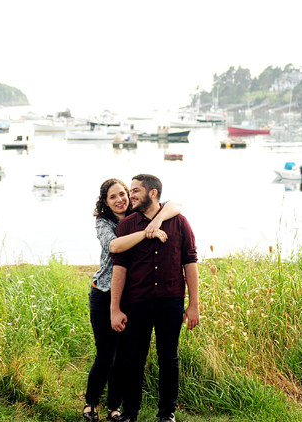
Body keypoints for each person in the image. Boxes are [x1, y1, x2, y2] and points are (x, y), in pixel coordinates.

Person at [84, 178, 182, 422]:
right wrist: (146, 232)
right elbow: (115, 246)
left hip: (132, 295)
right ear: (105, 203)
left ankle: (115, 407)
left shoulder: (138, 213)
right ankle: (91, 402)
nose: (120, 200)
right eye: (113, 197)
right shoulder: (104, 223)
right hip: (105, 292)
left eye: (123, 194)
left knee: (126, 356)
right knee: (107, 355)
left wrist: (157, 220)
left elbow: (174, 206)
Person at [110, 174, 199, 422]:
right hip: (137, 301)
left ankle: (166, 413)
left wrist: (193, 305)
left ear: (153, 193)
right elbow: (120, 268)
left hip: (171, 301)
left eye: (136, 190)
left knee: (168, 357)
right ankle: (130, 413)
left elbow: (190, 262)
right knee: (134, 358)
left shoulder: (180, 223)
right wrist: (114, 308)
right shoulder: (127, 226)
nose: (131, 195)